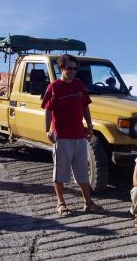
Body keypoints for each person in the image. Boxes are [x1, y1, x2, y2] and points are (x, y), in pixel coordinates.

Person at [41, 54, 104, 216]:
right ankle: (61, 203)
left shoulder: (79, 84)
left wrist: (89, 125)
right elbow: (48, 110)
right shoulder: (54, 87)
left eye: (75, 68)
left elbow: (85, 106)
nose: (72, 71)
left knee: (82, 170)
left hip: (79, 135)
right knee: (61, 171)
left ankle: (88, 202)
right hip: (61, 136)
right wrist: (48, 130)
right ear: (61, 68)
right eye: (69, 68)